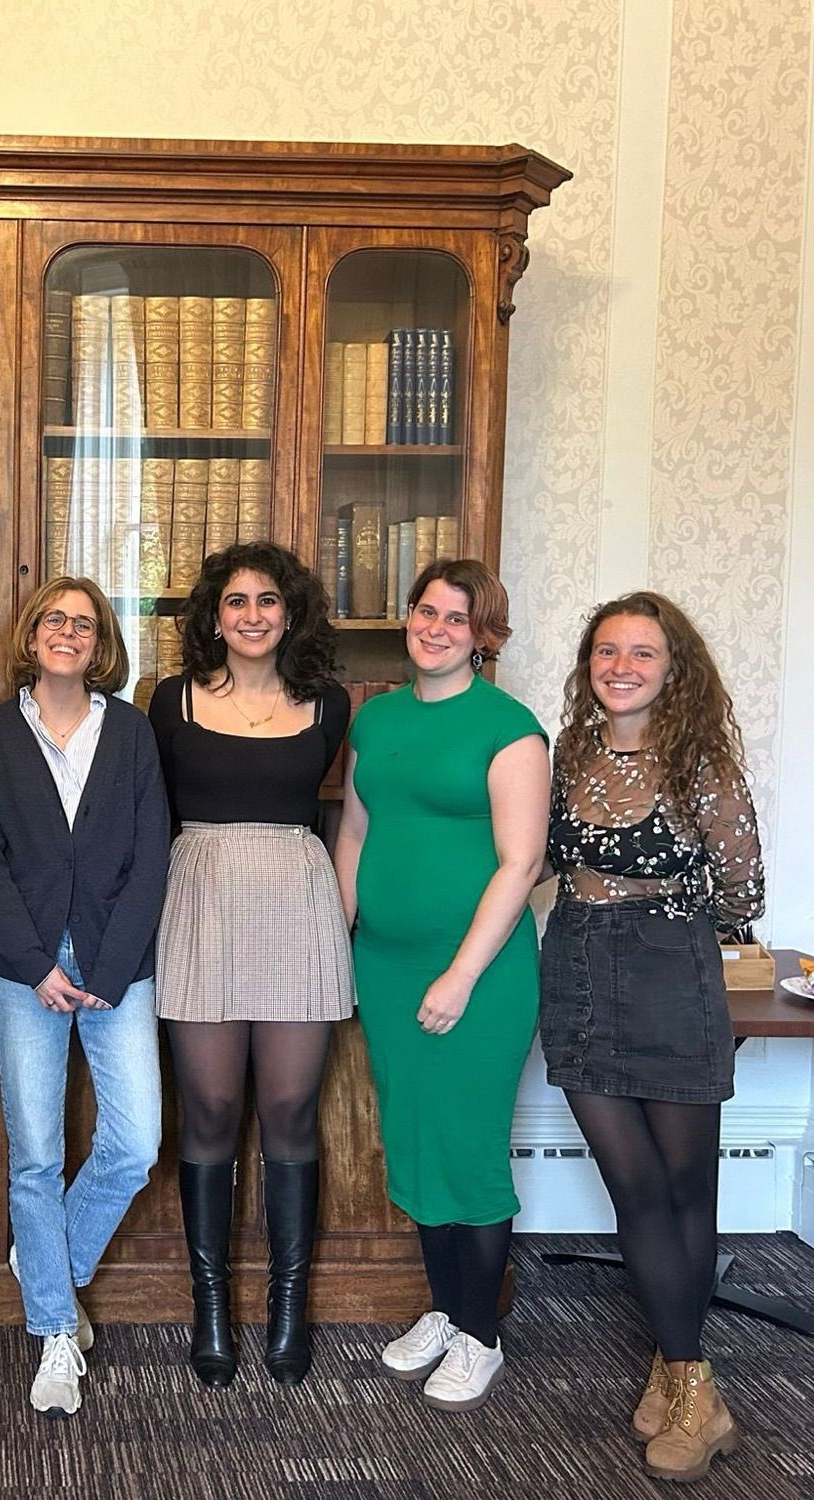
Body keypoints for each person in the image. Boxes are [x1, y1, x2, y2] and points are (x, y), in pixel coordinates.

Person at [541, 591, 764, 1482]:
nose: (621, 667)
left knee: (682, 1188)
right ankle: (691, 1381)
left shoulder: (703, 764)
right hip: (578, 970)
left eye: (641, 653)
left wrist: (658, 921)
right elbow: (541, 861)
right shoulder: (568, 753)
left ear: (674, 670)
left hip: (673, 973)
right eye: (606, 651)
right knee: (632, 1184)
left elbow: (743, 894)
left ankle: (683, 1379)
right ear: (588, 665)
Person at [334, 557, 548, 1413]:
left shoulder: (509, 727)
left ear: (483, 634)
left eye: (456, 618)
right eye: (425, 610)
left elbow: (521, 861)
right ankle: (448, 1307)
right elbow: (352, 833)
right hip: (385, 968)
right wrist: (339, 940)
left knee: (468, 1147)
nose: (435, 627)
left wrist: (460, 974)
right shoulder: (374, 719)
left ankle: (481, 1335)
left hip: (478, 977)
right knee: (416, 1140)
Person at [0, 577, 170, 1416]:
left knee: (136, 1143)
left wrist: (109, 971)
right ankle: (53, 1328)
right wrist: (36, 963)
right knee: (37, 1155)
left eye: (84, 624)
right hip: (23, 971)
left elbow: (152, 855)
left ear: (101, 642)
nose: (68, 634)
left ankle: (49, 1256)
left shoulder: (131, 732)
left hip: (120, 963)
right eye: (56, 620)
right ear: (33, 633)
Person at [147, 540, 352, 1388]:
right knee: (213, 1105)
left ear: (290, 613)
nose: (254, 615)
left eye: (270, 600)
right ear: (214, 615)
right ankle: (212, 1307)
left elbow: (353, 817)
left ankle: (290, 1304)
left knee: (291, 1106)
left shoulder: (331, 704)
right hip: (199, 899)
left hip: (297, 904)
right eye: (237, 601)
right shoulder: (169, 702)